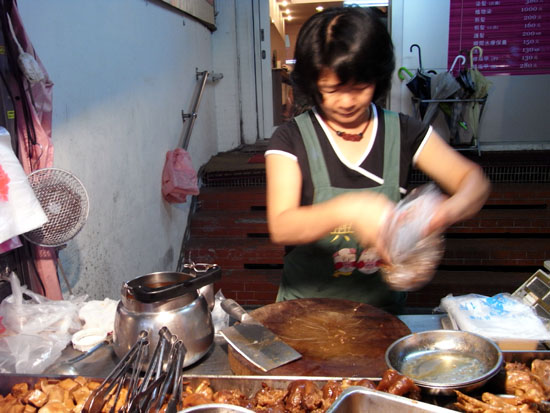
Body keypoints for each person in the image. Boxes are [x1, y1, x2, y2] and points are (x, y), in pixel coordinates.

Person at [264, 6, 490, 314]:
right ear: (314, 83)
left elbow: (474, 183)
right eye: (331, 89)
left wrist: (434, 215)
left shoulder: (405, 132)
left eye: (359, 88)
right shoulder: (291, 138)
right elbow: (282, 225)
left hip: (381, 317)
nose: (345, 102)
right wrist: (352, 208)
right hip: (305, 315)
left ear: (378, 78)